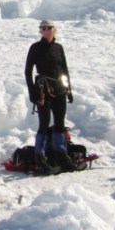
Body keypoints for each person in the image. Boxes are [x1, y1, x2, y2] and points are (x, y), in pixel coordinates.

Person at [24, 20, 75, 173]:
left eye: (48, 28)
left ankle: (61, 155)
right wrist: (32, 91)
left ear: (54, 30)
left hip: (59, 88)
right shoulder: (35, 47)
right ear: (40, 31)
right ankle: (40, 157)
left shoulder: (58, 48)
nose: (46, 31)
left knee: (59, 122)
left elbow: (64, 69)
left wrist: (69, 89)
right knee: (44, 123)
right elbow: (28, 71)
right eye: (43, 29)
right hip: (42, 90)